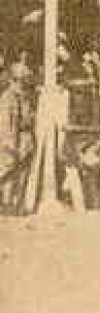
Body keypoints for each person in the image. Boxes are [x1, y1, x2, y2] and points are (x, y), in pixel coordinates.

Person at [0, 63, 36, 214]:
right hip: (14, 138)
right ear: (16, 79)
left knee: (23, 172)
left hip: (26, 138)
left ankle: (17, 204)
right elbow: (6, 122)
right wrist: (9, 143)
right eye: (24, 78)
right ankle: (7, 204)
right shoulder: (8, 97)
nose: (27, 80)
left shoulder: (25, 95)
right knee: (8, 170)